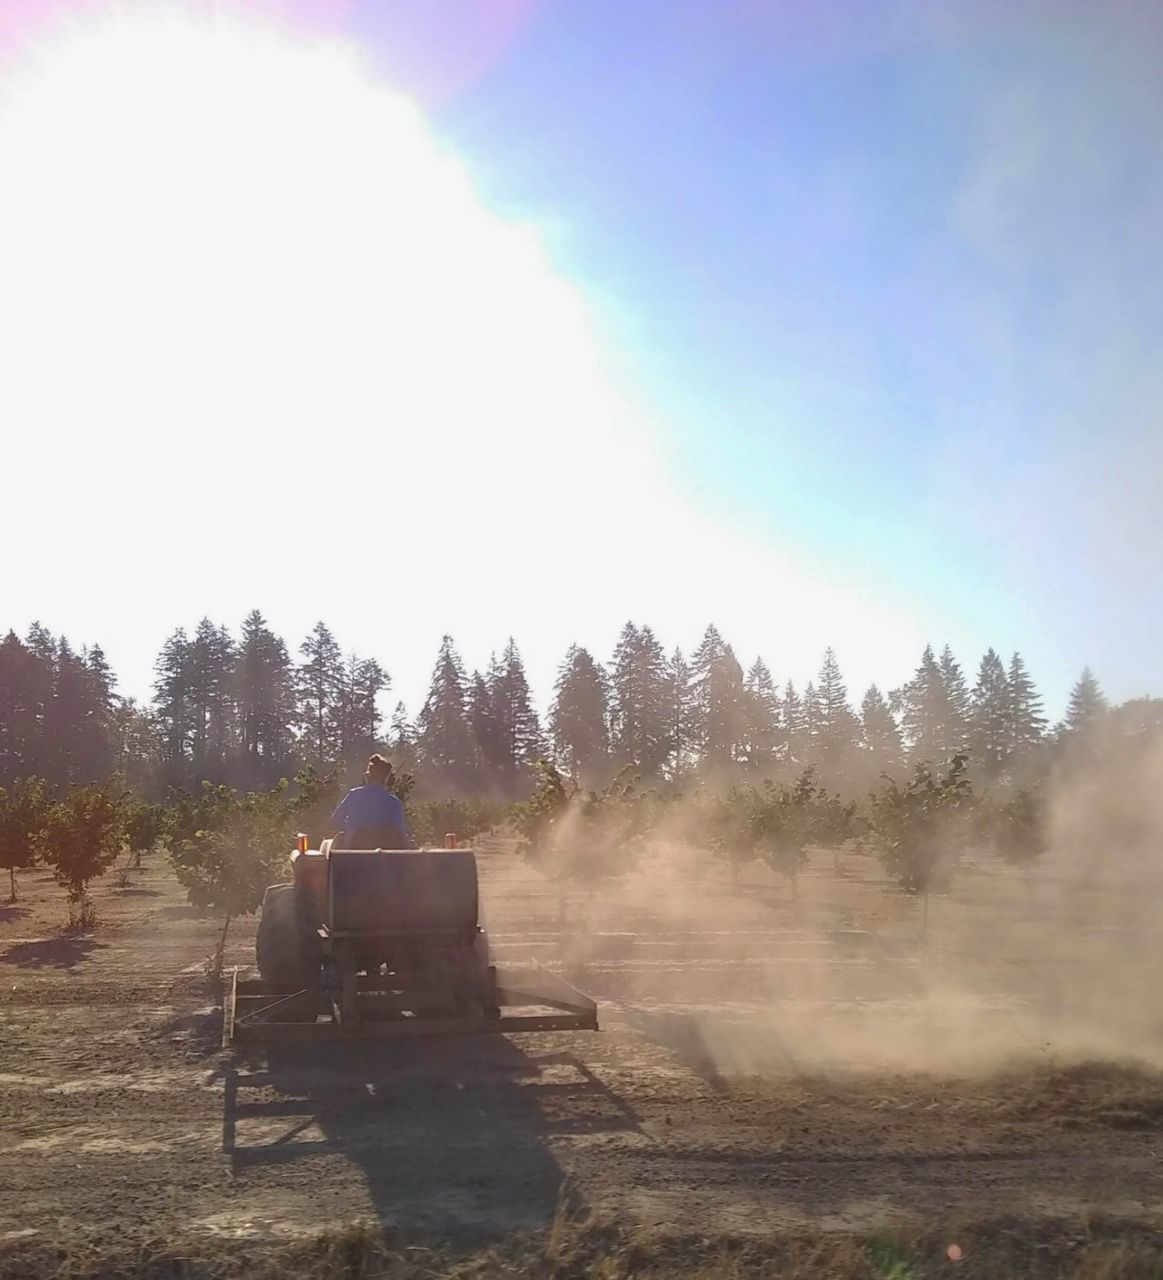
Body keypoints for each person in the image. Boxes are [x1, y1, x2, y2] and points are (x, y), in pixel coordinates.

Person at [330, 754, 414, 850]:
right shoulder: (394, 803)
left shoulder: (353, 795)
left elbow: (335, 820)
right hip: (386, 860)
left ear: (368, 776)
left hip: (352, 856)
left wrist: (351, 828)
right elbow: (401, 832)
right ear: (388, 779)